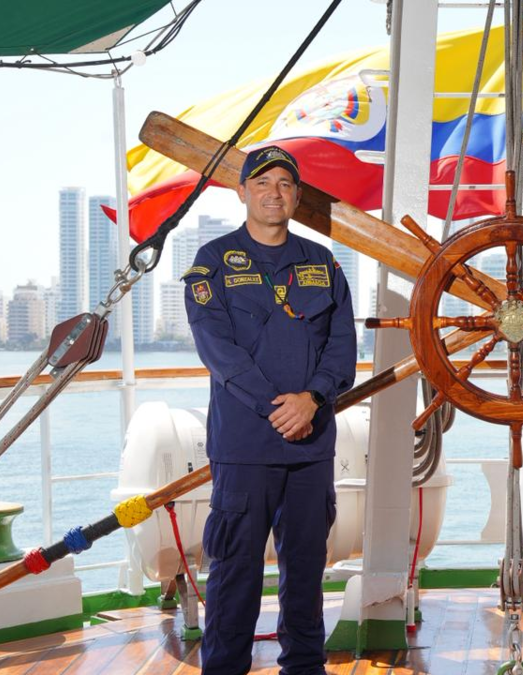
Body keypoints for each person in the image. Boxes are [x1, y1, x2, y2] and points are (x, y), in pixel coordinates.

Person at [184, 145, 357, 675]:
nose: (273, 193)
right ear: (242, 193)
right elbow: (218, 350)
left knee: (305, 577)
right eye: (262, 183)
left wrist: (311, 400)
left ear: (298, 196)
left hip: (310, 449)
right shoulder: (212, 261)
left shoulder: (323, 265)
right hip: (245, 450)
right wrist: (276, 407)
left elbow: (342, 347)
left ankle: (304, 669)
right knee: (234, 576)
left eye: (285, 184)